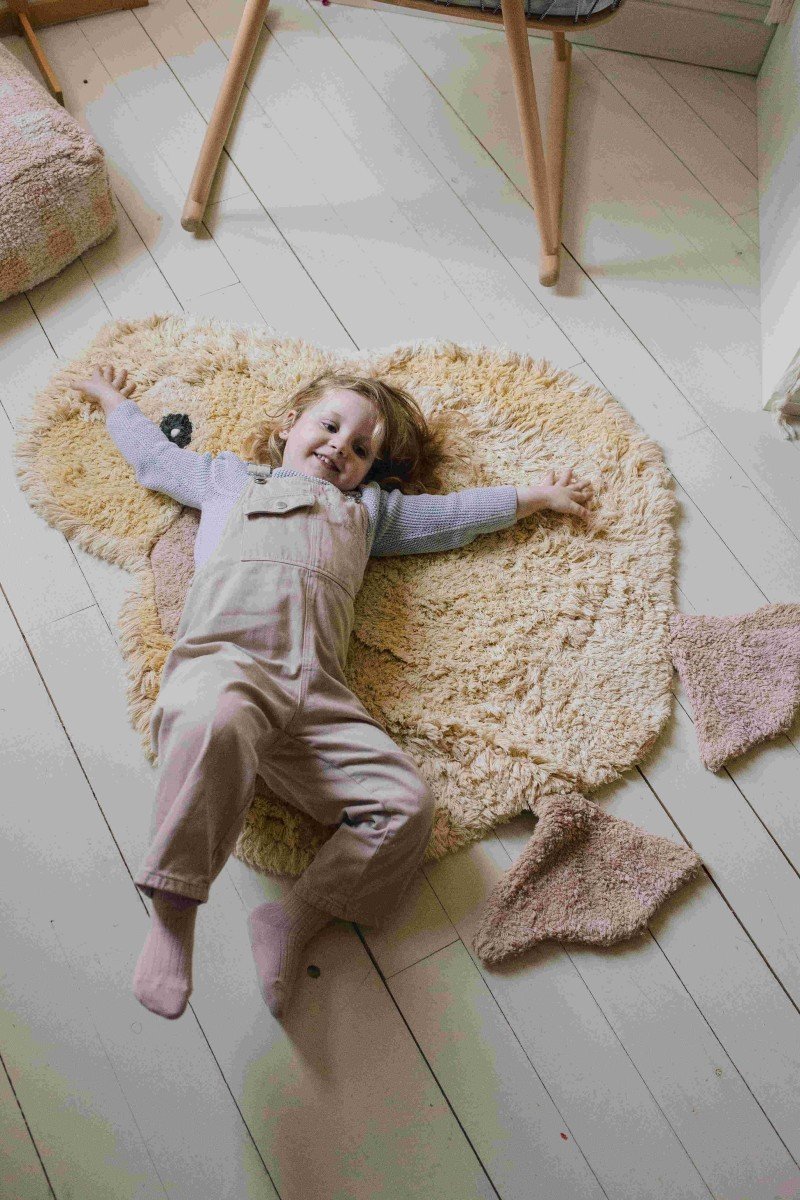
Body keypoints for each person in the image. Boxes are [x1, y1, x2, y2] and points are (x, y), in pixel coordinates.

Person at [76, 364, 593, 1022]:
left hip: (318, 697)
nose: (338, 448)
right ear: (289, 426)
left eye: (360, 450)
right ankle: (174, 914)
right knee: (216, 720)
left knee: (405, 806)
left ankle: (292, 920)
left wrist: (533, 497)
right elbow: (153, 459)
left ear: (371, 471)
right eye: (329, 426)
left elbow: (449, 517)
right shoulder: (227, 479)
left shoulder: (368, 514)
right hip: (229, 662)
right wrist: (115, 400)